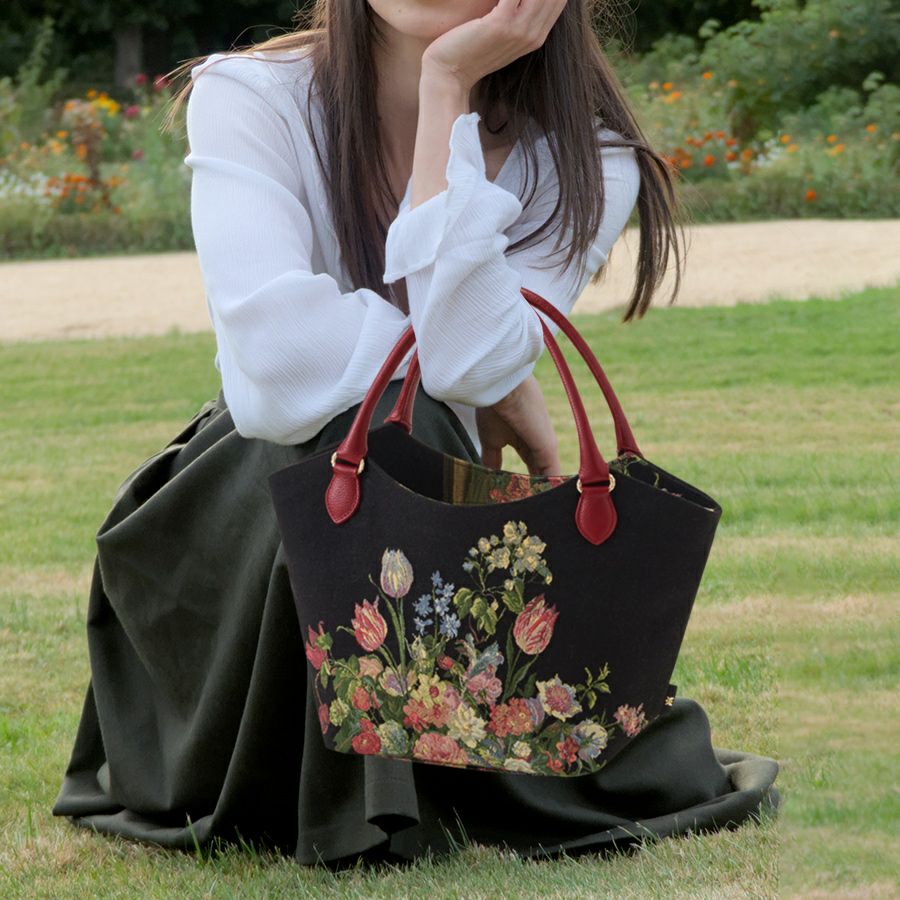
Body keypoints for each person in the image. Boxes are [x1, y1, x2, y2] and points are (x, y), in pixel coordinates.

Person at [52, 0, 780, 869]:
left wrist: (446, 92)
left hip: (435, 541)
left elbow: (470, 359)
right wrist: (472, 373)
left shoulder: (586, 157)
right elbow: (276, 372)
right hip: (244, 516)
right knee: (381, 429)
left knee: (421, 430)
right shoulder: (250, 96)